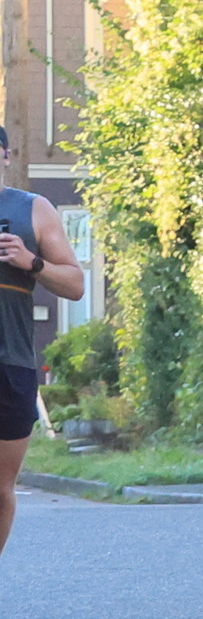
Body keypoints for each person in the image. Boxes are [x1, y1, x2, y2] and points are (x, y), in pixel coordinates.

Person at [0, 120, 89, 556]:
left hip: (11, 363)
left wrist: (31, 261)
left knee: (1, 488)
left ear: (5, 156)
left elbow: (75, 285)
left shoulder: (33, 209)